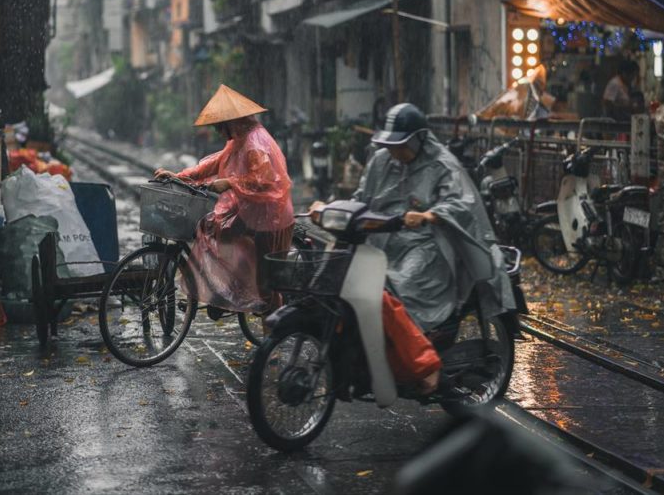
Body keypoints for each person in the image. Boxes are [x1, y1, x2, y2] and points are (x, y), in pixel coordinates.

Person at [316, 103, 515, 395]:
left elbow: (460, 203)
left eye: (401, 145)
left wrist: (429, 215)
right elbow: (361, 197)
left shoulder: (443, 165)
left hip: (430, 244)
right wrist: (331, 207)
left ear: (420, 139)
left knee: (400, 284)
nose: (395, 151)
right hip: (383, 239)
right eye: (391, 144)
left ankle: (423, 361)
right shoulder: (381, 161)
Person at [155, 85, 294, 317]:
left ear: (233, 122)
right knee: (218, 229)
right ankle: (235, 286)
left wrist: (230, 182)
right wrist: (179, 176)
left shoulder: (255, 144)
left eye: (221, 126)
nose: (219, 132)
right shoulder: (239, 140)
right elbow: (212, 163)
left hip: (271, 217)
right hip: (251, 212)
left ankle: (275, 338)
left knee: (267, 287)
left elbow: (267, 182)